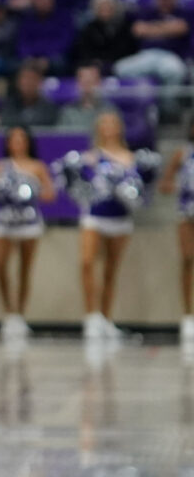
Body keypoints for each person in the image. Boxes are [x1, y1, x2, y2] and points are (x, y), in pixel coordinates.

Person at [55, 112, 160, 361]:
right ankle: (91, 317)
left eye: (113, 124)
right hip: (94, 215)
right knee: (87, 262)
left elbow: (142, 187)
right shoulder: (91, 157)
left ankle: (106, 318)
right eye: (104, 125)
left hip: (120, 219)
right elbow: (72, 179)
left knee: (111, 270)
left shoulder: (131, 158)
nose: (109, 129)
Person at [0, 127, 53, 354]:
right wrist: (2, 190)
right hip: (5, 222)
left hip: (29, 224)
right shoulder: (0, 166)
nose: (17, 143)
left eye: (21, 139)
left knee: (25, 269)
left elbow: (50, 194)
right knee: (0, 266)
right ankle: (8, 313)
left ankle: (20, 315)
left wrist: (29, 191)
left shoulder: (37, 167)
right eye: (13, 139)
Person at [121, 0, 190, 86]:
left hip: (170, 55)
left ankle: (169, 103)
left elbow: (181, 28)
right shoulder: (147, 12)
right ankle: (144, 101)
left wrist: (151, 29)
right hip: (146, 54)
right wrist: (167, 28)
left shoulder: (181, 11)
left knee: (175, 71)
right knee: (121, 69)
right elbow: (138, 30)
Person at [165, 124, 194, 358]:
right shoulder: (182, 153)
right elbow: (165, 185)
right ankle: (187, 316)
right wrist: (177, 186)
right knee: (187, 259)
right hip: (187, 213)